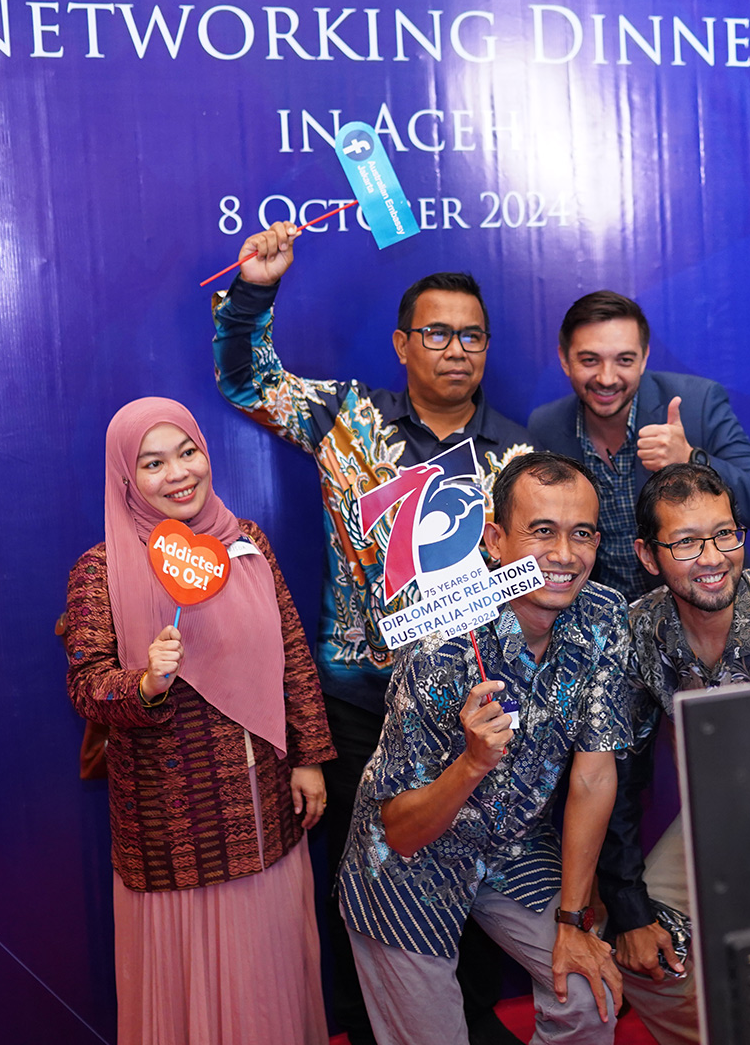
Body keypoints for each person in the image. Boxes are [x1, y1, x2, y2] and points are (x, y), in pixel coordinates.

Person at [212, 223, 532, 1045]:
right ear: (401, 343)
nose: (455, 350)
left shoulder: (518, 457)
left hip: (470, 705)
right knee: (365, 879)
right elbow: (248, 379)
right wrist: (255, 288)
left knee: (465, 870)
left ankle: (466, 1024)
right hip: (360, 697)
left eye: (472, 336)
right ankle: (365, 1028)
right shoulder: (348, 420)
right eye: (437, 333)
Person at [64, 397, 336, 1045]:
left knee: (264, 987)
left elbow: (292, 654)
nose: (179, 473)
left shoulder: (246, 545)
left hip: (261, 811)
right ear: (127, 477)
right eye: (153, 463)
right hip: (171, 831)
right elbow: (85, 688)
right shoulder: (99, 571)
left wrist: (309, 758)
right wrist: (148, 682)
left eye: (187, 452)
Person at [337, 453, 631, 1045]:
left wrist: (575, 920)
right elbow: (399, 831)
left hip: (514, 844)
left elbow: (595, 776)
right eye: (542, 532)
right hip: (405, 867)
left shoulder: (603, 618)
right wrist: (472, 763)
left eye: (582, 534)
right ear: (495, 540)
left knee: (588, 998)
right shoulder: (439, 648)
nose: (565, 555)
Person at [597, 463, 750, 1045]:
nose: (712, 556)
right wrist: (630, 909)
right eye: (685, 541)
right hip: (720, 819)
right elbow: (618, 777)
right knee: (642, 951)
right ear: (648, 556)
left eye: (725, 534)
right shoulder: (639, 631)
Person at [527, 291, 750, 600]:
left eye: (624, 360)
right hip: (605, 623)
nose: (607, 377)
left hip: (695, 610)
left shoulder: (698, 403)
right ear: (564, 359)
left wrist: (691, 458)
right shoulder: (545, 426)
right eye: (590, 360)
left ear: (644, 359)